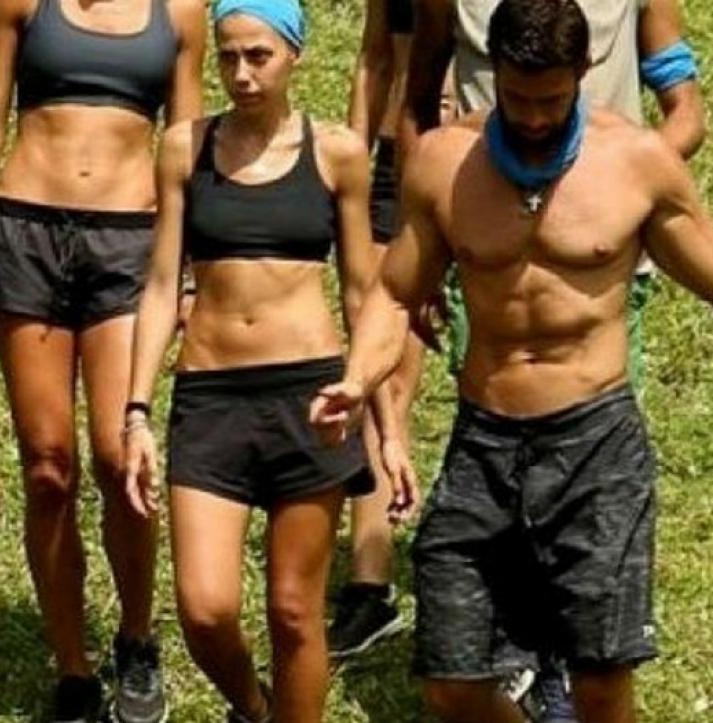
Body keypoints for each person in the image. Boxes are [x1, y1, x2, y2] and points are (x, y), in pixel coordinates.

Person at [312, 1, 713, 721]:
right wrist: (356, 378)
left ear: (585, 71)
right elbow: (396, 293)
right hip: (485, 443)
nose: (533, 118)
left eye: (552, 101)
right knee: (451, 680)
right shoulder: (446, 164)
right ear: (491, 72)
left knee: (600, 681)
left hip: (595, 444)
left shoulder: (636, 164)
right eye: (517, 98)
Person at [123, 2, 417, 720]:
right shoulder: (184, 147)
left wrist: (386, 429)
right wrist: (136, 412)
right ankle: (255, 710)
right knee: (204, 608)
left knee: (293, 610)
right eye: (228, 57)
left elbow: (363, 295)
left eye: (259, 56)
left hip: (309, 400)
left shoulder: (337, 152)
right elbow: (161, 284)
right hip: (210, 398)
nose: (242, 74)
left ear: (294, 56)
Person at [0, 0, 206, 719]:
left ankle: (136, 637)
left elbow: (186, 146)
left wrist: (190, 267)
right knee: (47, 466)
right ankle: (72, 666)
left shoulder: (180, 12)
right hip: (26, 232)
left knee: (121, 457)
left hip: (129, 240)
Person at [401, 0, 706, 379]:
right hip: (487, 259)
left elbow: (686, 113)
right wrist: (417, 249)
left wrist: (624, 178)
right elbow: (417, 109)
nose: (534, 118)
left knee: (604, 398)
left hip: (603, 260)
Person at [328, 0, 423, 661]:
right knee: (379, 372)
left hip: (493, 158)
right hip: (395, 163)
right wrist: (353, 168)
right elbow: (373, 56)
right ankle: (370, 582)